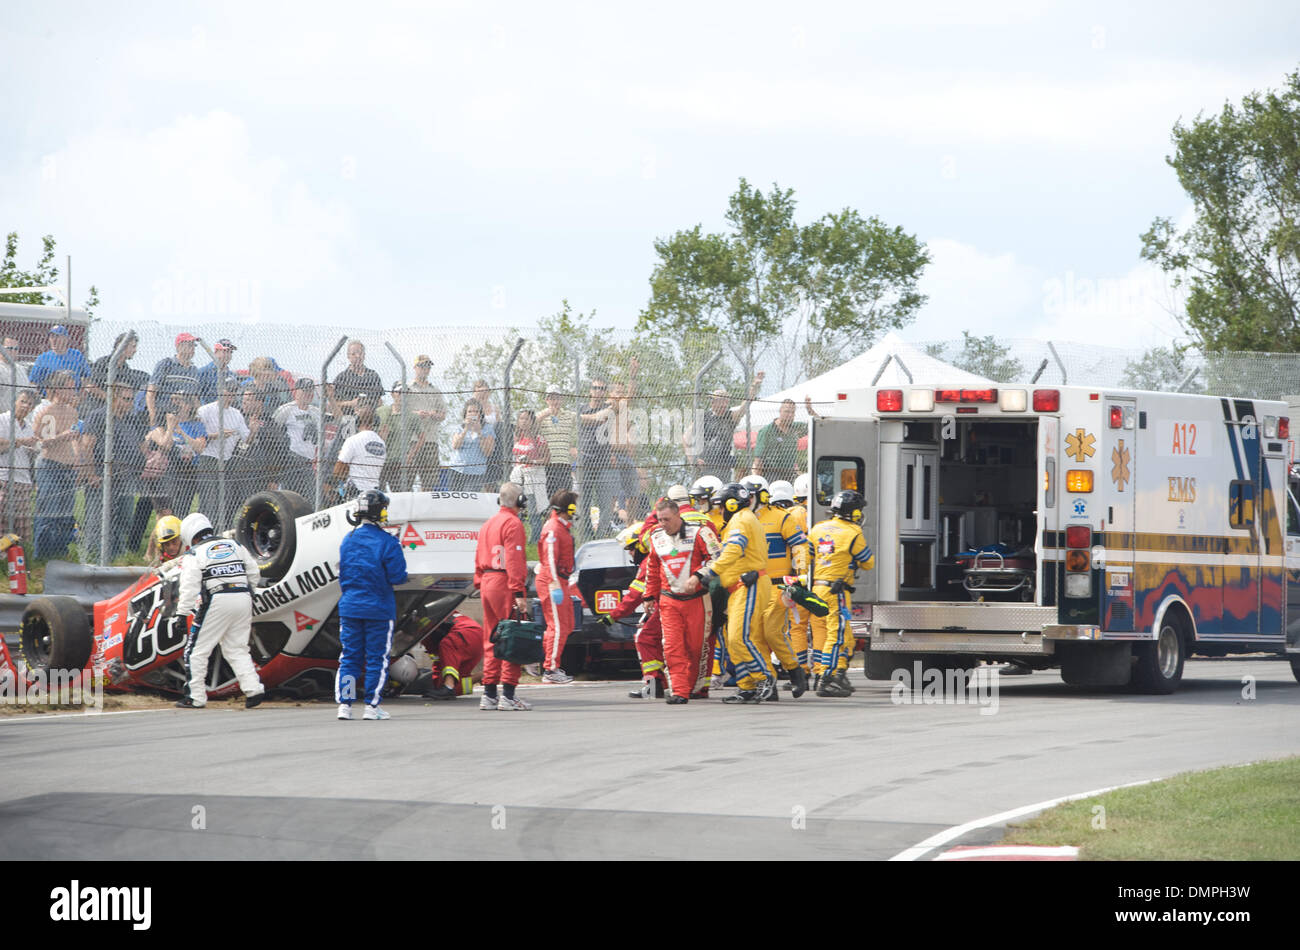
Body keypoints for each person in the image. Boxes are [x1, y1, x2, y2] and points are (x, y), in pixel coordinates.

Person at [685, 482, 774, 704]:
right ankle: (747, 687)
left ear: (732, 504)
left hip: (747, 586)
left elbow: (734, 550)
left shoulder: (740, 521)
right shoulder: (745, 519)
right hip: (739, 587)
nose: (720, 511)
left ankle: (764, 678)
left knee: (738, 638)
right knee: (736, 640)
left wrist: (711, 572)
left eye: (722, 506)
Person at [174, 512, 267, 709]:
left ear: (190, 535)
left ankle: (195, 697)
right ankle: (254, 689)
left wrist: (182, 614)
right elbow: (254, 572)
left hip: (216, 599)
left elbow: (189, 586)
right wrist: (248, 590)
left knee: (196, 651)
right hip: (243, 598)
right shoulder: (235, 545)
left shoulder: (194, 553)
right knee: (237, 648)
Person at [336, 489, 408, 720]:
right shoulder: (388, 542)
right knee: (377, 657)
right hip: (378, 608)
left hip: (350, 606)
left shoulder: (348, 540)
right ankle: (371, 706)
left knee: (349, 656)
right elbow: (398, 577)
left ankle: (344, 705)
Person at [642, 498, 722, 703]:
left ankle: (695, 687)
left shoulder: (701, 532)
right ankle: (679, 691)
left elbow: (719, 559)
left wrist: (698, 576)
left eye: (666, 519)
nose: (663, 524)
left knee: (696, 647)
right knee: (671, 646)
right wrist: (649, 595)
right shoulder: (656, 536)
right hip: (669, 601)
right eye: (659, 520)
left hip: (698, 599)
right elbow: (652, 568)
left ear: (678, 515)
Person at [741, 474, 810, 699]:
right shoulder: (742, 520)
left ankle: (795, 670)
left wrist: (801, 575)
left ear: (761, 495)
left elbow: (799, 545)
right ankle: (768, 680)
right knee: (756, 635)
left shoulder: (781, 517)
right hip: (753, 587)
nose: (747, 500)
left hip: (779, 585)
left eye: (750, 495)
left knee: (772, 630)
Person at [806, 489, 874, 698]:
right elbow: (868, 562)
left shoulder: (817, 529)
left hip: (817, 587)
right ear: (853, 513)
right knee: (835, 635)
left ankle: (838, 673)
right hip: (837, 591)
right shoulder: (853, 532)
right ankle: (827, 678)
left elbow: (807, 557)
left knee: (842, 636)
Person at [474, 482, 532, 710]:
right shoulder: (513, 523)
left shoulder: (488, 524)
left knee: (492, 638)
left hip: (487, 582)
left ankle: (489, 694)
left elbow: (478, 556)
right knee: (512, 638)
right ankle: (508, 695)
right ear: (520, 501)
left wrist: (480, 580)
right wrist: (518, 591)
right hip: (504, 582)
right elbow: (515, 561)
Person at [80, 382, 151, 560]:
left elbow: (143, 447)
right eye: (126, 399)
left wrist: (149, 462)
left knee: (123, 519)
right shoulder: (98, 416)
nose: (130, 404)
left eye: (131, 400)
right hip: (102, 475)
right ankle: (95, 556)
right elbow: (87, 446)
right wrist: (91, 475)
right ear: (113, 398)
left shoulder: (131, 419)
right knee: (98, 518)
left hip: (125, 477)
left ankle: (118, 556)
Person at [598, 520, 667, 698]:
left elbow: (634, 596)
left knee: (645, 638)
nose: (630, 552)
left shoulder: (647, 564)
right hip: (671, 606)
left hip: (668, 608)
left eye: (631, 548)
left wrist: (612, 616)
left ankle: (654, 686)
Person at [30, 371, 81, 558]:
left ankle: (60, 550)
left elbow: (75, 437)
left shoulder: (73, 412)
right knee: (49, 510)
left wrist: (77, 457)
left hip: (67, 468)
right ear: (58, 389)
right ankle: (41, 554)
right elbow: (39, 441)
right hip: (50, 465)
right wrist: (62, 436)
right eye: (69, 387)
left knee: (66, 512)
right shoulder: (47, 412)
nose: (73, 391)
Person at [682, 373, 763, 482]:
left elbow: (745, 405)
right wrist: (693, 459)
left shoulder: (730, 417)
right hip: (705, 466)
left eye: (726, 401)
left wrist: (754, 386)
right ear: (713, 402)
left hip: (723, 467)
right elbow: (686, 437)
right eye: (720, 400)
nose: (724, 404)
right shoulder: (703, 418)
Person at [536, 489, 580, 684]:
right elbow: (549, 559)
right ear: (568, 507)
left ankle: (542, 659)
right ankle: (550, 669)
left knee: (567, 624)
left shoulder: (560, 526)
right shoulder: (553, 528)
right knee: (558, 625)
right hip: (552, 580)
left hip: (560, 580)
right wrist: (554, 583)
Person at [770, 478, 812, 680]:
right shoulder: (810, 515)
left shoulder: (781, 517)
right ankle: (818, 670)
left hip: (786, 579)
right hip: (813, 577)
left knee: (793, 627)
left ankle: (797, 667)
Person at [146, 384, 207, 520]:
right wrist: (171, 427)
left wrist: (183, 434)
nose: (176, 404)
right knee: (165, 513)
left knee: (181, 511)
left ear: (189, 406)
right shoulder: (161, 424)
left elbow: (200, 447)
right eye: (174, 400)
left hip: (187, 472)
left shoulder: (196, 425)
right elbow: (165, 446)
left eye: (180, 401)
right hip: (165, 473)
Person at [196, 378, 249, 529]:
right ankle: (205, 532)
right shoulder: (205, 410)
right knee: (209, 501)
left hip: (227, 461)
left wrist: (253, 429)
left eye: (234, 390)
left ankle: (220, 531)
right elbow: (198, 436)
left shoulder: (237, 413)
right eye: (228, 389)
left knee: (225, 500)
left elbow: (247, 437)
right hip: (209, 459)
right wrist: (218, 434)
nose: (231, 393)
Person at [576, 377, 616, 540]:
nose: (598, 391)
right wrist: (592, 418)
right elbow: (575, 421)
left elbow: (618, 406)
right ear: (590, 391)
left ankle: (601, 536)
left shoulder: (609, 408)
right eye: (595, 388)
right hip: (585, 458)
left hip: (604, 460)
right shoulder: (581, 408)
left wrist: (585, 419)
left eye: (602, 388)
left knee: (605, 502)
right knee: (583, 501)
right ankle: (585, 536)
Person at [273, 378, 322, 500]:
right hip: (292, 458)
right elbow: (274, 430)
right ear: (296, 392)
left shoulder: (316, 412)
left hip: (309, 460)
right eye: (304, 391)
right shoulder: (287, 409)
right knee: (289, 498)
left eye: (310, 391)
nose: (308, 394)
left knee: (309, 498)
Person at [0, 388, 38, 543]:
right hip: (4, 478)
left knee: (22, 527)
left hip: (23, 481)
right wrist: (21, 442)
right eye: (22, 401)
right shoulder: (3, 419)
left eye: (29, 404)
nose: (25, 406)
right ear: (14, 401)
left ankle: (20, 557)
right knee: (2, 522)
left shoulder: (28, 426)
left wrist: (32, 449)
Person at [419, 612, 484, 700]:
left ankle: (448, 686)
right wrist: (437, 684)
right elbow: (438, 660)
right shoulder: (441, 609)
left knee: (447, 644)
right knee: (449, 688)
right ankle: (481, 676)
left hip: (466, 634)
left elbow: (437, 657)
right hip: (474, 639)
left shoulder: (424, 621)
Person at [81, 331, 147, 417]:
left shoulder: (126, 369)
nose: (135, 350)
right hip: (97, 409)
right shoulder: (103, 363)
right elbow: (90, 386)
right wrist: (111, 399)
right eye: (133, 347)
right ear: (121, 346)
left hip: (116, 412)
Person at [406, 355, 447, 488]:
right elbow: (400, 412)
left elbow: (443, 414)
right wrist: (416, 414)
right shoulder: (407, 388)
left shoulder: (435, 390)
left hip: (430, 439)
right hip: (411, 439)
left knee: (429, 481)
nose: (425, 369)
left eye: (428, 366)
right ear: (415, 368)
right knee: (407, 479)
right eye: (422, 366)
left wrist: (433, 414)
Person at [331, 405, 386, 500]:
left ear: (357, 421)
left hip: (356, 491)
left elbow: (338, 469)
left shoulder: (353, 440)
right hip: (375, 491)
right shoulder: (381, 442)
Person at [146, 333, 201, 427]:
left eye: (193, 345)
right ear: (179, 346)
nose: (192, 349)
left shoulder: (194, 370)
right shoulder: (166, 364)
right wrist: (152, 416)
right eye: (189, 345)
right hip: (164, 416)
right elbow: (151, 392)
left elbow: (194, 397)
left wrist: (198, 414)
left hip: (185, 417)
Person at [510, 409, 549, 539]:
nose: (524, 421)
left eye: (527, 419)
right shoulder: (517, 437)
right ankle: (515, 536)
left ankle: (535, 538)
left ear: (532, 421)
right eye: (521, 418)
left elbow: (547, 459)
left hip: (532, 477)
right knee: (516, 507)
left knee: (533, 509)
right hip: (517, 477)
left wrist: (531, 461)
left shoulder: (538, 438)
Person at [752, 398, 807, 483]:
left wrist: (810, 409)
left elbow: (818, 425)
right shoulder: (767, 431)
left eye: (793, 412)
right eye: (787, 411)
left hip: (790, 473)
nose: (790, 415)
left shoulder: (795, 428)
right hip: (772, 474)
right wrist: (758, 481)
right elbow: (758, 460)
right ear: (780, 411)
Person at [29, 325, 90, 398]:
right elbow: (33, 382)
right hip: (50, 398)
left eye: (57, 337)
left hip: (72, 398)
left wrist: (81, 393)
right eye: (52, 337)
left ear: (66, 339)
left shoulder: (76, 355)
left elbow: (86, 377)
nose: (54, 340)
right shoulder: (43, 358)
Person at [330, 340, 384, 422]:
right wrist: (351, 403)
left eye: (360, 353)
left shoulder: (373, 375)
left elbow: (380, 401)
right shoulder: (342, 377)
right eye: (353, 354)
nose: (358, 356)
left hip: (369, 420)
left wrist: (367, 405)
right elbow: (333, 403)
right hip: (348, 419)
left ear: (364, 355)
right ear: (348, 356)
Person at [536, 389, 576, 497]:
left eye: (557, 398)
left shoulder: (569, 415)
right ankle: (552, 514)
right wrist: (545, 414)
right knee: (551, 496)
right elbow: (529, 425)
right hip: (548, 463)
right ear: (547, 400)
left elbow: (585, 419)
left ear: (562, 399)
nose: (555, 401)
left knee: (565, 495)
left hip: (564, 462)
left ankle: (564, 514)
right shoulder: (541, 415)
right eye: (552, 398)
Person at [449, 399, 495, 491]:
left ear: (480, 414)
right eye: (470, 411)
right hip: (457, 469)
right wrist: (466, 429)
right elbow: (455, 446)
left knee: (469, 499)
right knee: (454, 499)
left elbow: (488, 452)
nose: (473, 414)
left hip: (476, 472)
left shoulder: (488, 428)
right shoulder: (460, 428)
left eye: (476, 411)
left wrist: (479, 432)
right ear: (465, 414)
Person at [377, 383, 415, 491]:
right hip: (382, 460)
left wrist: (410, 455)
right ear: (393, 394)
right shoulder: (382, 411)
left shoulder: (410, 415)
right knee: (379, 494)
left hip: (398, 462)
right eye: (399, 393)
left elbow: (421, 436)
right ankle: (383, 509)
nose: (402, 396)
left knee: (399, 493)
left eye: (405, 393)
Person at [196, 339, 240, 404]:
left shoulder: (232, 375)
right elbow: (197, 396)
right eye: (225, 351)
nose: (228, 355)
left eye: (230, 352)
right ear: (216, 352)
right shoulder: (204, 372)